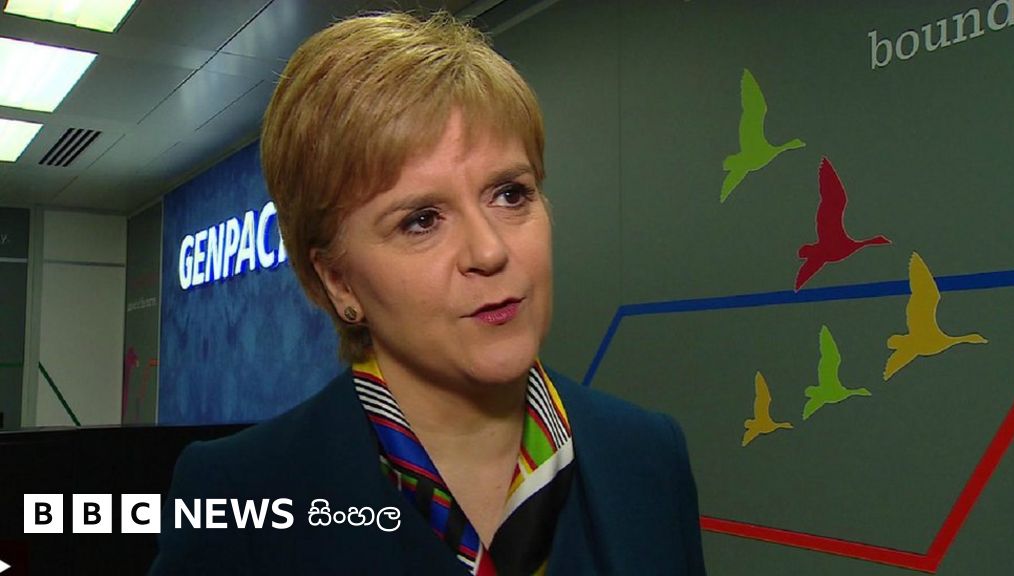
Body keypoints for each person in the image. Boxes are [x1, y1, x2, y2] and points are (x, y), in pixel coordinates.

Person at [150, 11, 705, 575]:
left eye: (510, 194)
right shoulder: (238, 494)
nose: (489, 250)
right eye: (421, 221)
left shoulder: (647, 456)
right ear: (338, 281)